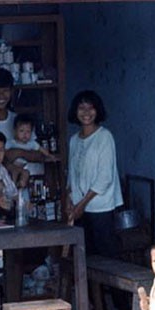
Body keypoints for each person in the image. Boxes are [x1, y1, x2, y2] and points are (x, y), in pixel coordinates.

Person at [65, 89, 123, 255]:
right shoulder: (74, 140)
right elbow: (72, 174)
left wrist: (82, 204)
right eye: (81, 108)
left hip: (100, 206)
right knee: (85, 255)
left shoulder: (104, 137)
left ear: (98, 111)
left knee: (105, 255)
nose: (86, 113)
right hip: (78, 206)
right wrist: (69, 198)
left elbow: (105, 178)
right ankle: (87, 283)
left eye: (91, 108)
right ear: (75, 111)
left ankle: (108, 283)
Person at [5, 113, 52, 189]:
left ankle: (20, 185)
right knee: (13, 174)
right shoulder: (10, 143)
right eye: (21, 131)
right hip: (13, 167)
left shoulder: (32, 144)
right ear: (15, 131)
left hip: (23, 168)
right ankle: (12, 188)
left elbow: (41, 149)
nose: (25, 134)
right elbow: (4, 152)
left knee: (26, 174)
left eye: (28, 131)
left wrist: (49, 155)